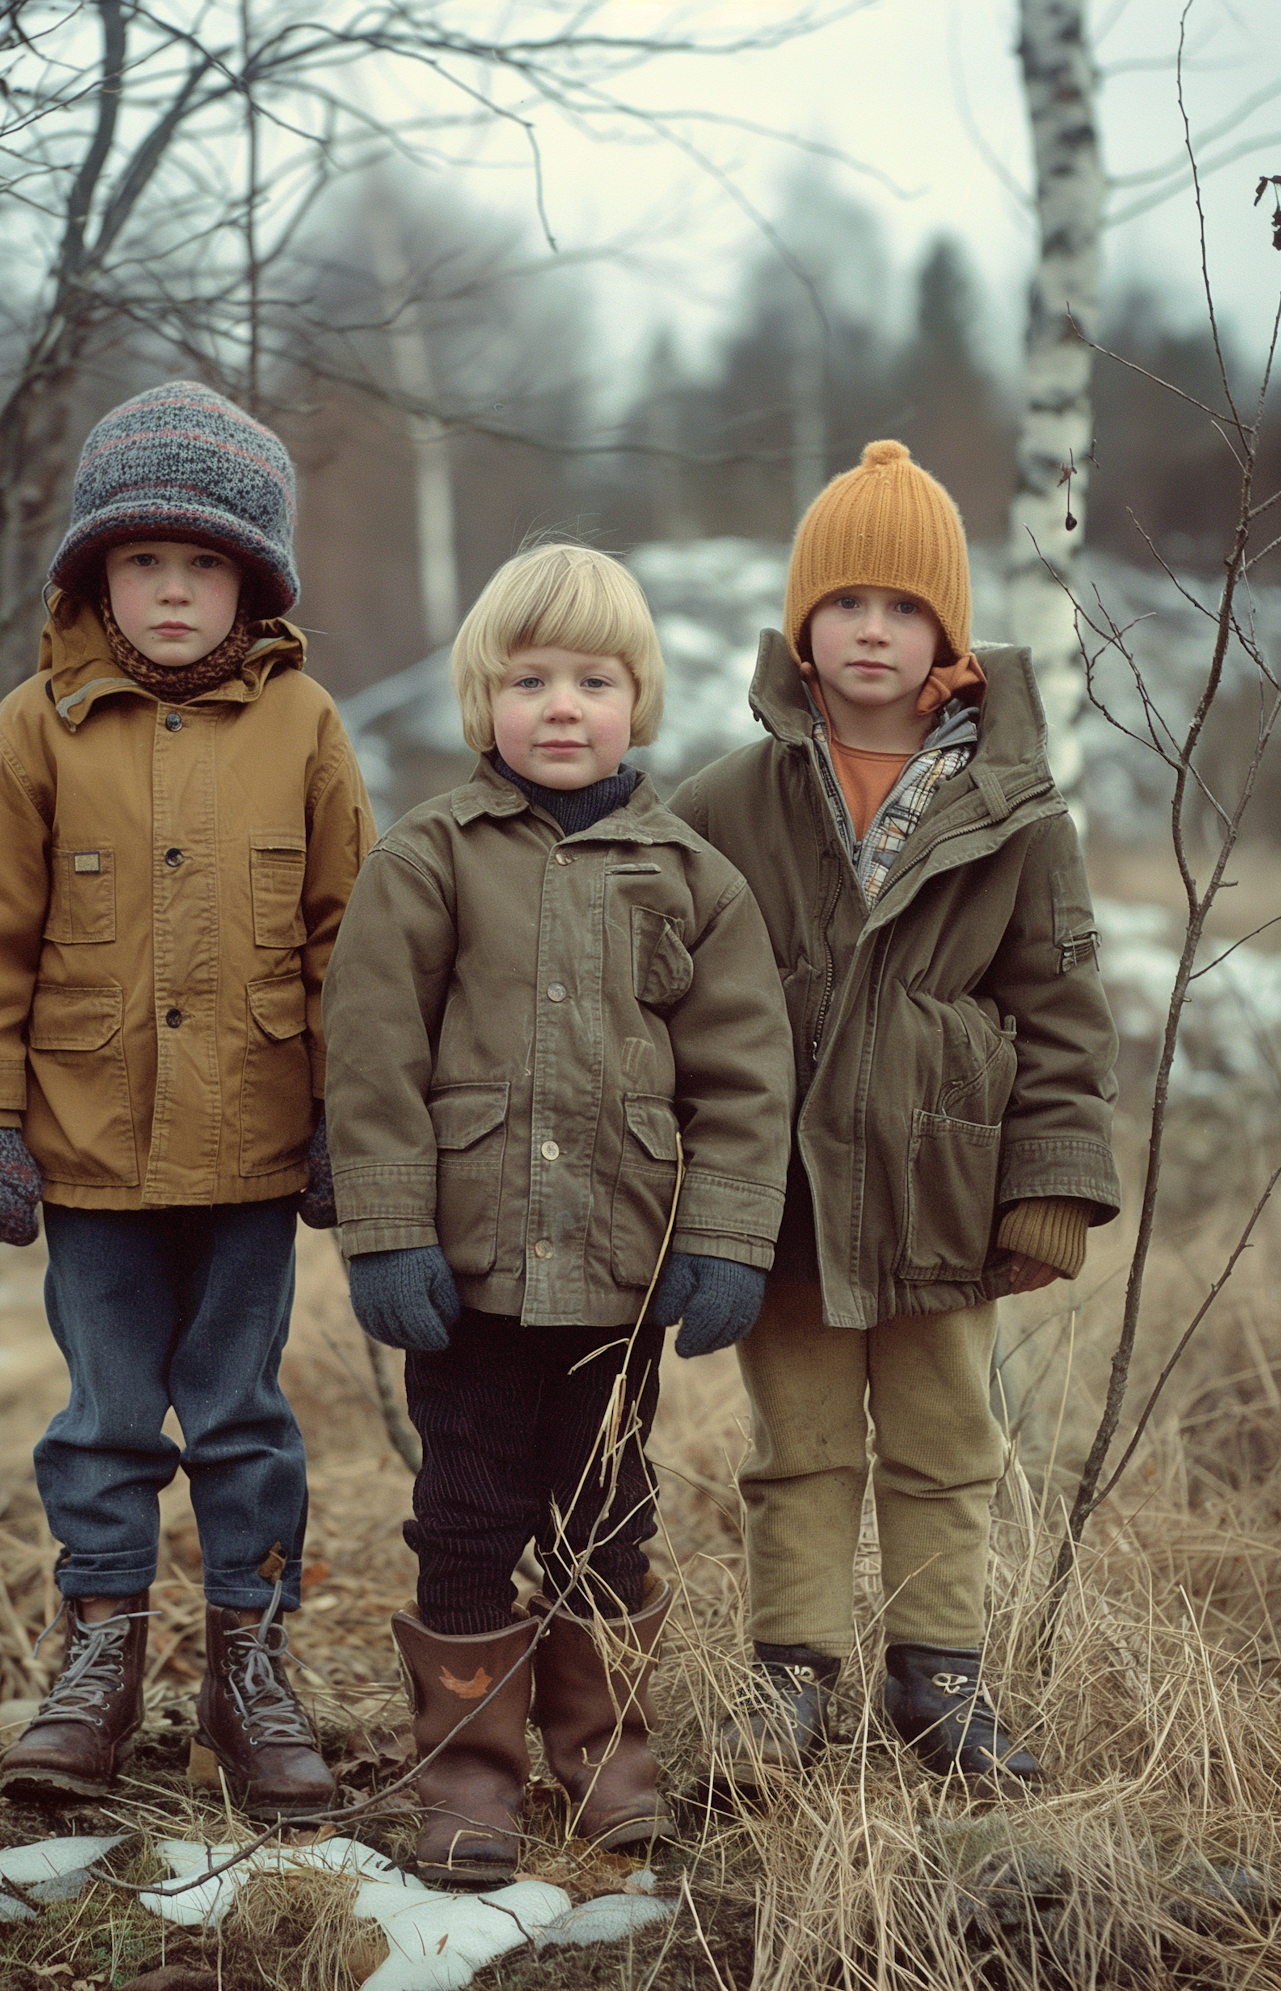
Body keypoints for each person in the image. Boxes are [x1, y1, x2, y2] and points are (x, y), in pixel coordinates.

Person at [0, 381, 375, 1813]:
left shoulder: (304, 726)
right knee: (106, 1414)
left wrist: (350, 1127)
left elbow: (346, 939)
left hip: (251, 1150)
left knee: (242, 1413)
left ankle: (252, 1665)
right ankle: (100, 1659)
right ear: (92, 572)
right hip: (87, 1153)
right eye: (143, 562)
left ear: (254, 578)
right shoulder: (35, 728)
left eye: (204, 564)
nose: (172, 592)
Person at [322, 543, 791, 1884]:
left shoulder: (690, 875)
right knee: (465, 1507)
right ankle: (468, 1767)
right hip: (462, 1277)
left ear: (637, 698)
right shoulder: (429, 857)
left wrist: (723, 1238)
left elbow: (745, 1073)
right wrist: (389, 1229)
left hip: (620, 1272)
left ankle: (606, 1746)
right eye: (530, 679)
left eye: (593, 679)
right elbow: (369, 1057)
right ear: (486, 700)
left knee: (606, 1509)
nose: (563, 706)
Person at [669, 440, 1120, 1797]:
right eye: (847, 602)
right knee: (796, 1441)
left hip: (946, 1186)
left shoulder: (1015, 806)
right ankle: (789, 1677)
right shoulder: (731, 797)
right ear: (802, 623)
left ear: (948, 634)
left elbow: (1061, 1001)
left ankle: (942, 1680)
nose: (874, 629)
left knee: (944, 1442)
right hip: (789, 1198)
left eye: (905, 607)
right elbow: (664, 975)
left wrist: (1051, 1183)